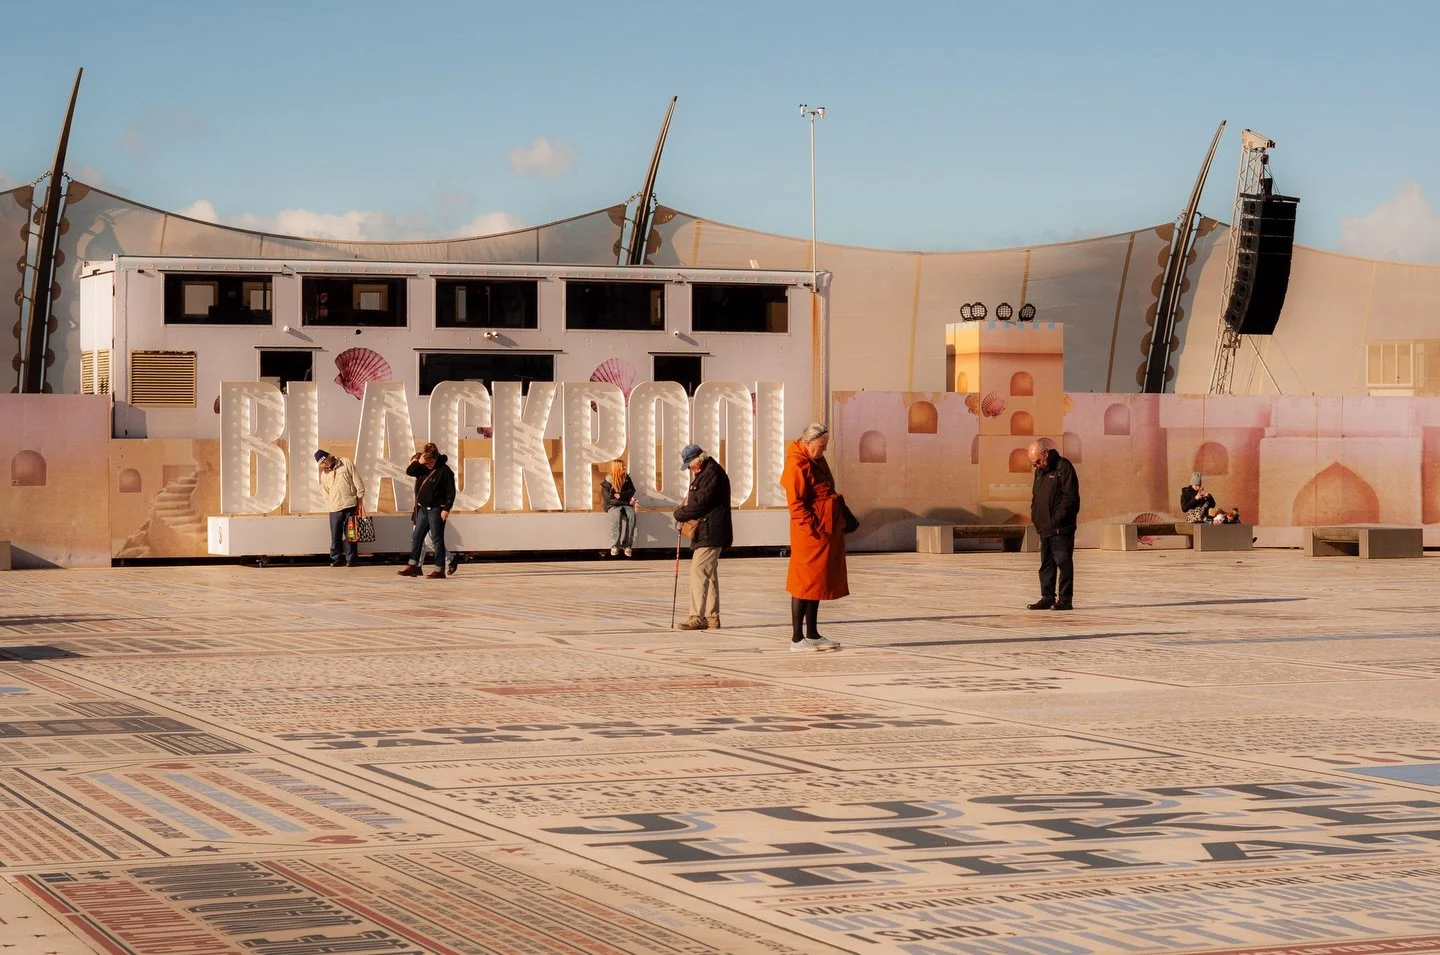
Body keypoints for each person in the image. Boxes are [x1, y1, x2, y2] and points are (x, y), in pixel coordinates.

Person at [781, 423, 845, 651]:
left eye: (825, 446)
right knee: (803, 584)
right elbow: (796, 505)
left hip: (823, 529)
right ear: (807, 443)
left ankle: (813, 634)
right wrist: (812, 528)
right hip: (809, 534)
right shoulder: (797, 464)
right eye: (821, 446)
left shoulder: (816, 459)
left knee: (816, 583)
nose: (824, 450)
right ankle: (797, 638)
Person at [671, 443, 732, 630]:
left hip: (712, 531)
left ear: (698, 460)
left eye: (690, 465)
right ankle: (712, 617)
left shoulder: (712, 474)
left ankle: (696, 616)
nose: (690, 469)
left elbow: (700, 504)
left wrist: (679, 514)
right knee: (709, 574)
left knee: (698, 572)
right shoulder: (705, 473)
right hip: (708, 531)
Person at [1026, 441, 1080, 611]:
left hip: (1060, 528)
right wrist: (1036, 517)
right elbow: (1036, 498)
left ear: (1045, 453)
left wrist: (1056, 521)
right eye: (1033, 463)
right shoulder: (1039, 472)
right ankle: (1047, 597)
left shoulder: (1063, 467)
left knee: (1063, 563)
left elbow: (1070, 499)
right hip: (1045, 528)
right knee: (1046, 565)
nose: (1036, 465)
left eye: (1038, 461)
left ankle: (1065, 599)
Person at [399, 447, 456, 579]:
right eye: (426, 461)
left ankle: (439, 569)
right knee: (417, 536)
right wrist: (419, 462)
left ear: (436, 458)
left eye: (431, 461)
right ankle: (413, 566)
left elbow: (451, 492)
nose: (428, 464)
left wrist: (446, 508)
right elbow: (409, 471)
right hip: (423, 509)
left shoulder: (444, 471)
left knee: (436, 539)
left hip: (437, 509)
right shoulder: (423, 468)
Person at [316, 449, 365, 567]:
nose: (324, 464)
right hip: (334, 509)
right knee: (335, 535)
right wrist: (330, 504)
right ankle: (336, 558)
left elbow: (357, 480)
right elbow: (325, 492)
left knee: (351, 534)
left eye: (324, 461)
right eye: (321, 463)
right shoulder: (324, 474)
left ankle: (351, 559)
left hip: (350, 505)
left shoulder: (346, 463)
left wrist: (360, 499)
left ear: (329, 456)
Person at [600, 459, 637, 557]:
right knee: (617, 516)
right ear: (617, 468)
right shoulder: (608, 480)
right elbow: (609, 498)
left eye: (624, 466)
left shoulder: (627, 478)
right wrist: (625, 500)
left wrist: (620, 495)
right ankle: (615, 545)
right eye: (622, 466)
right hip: (613, 505)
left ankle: (627, 545)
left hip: (625, 504)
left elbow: (632, 491)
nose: (624, 467)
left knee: (632, 515)